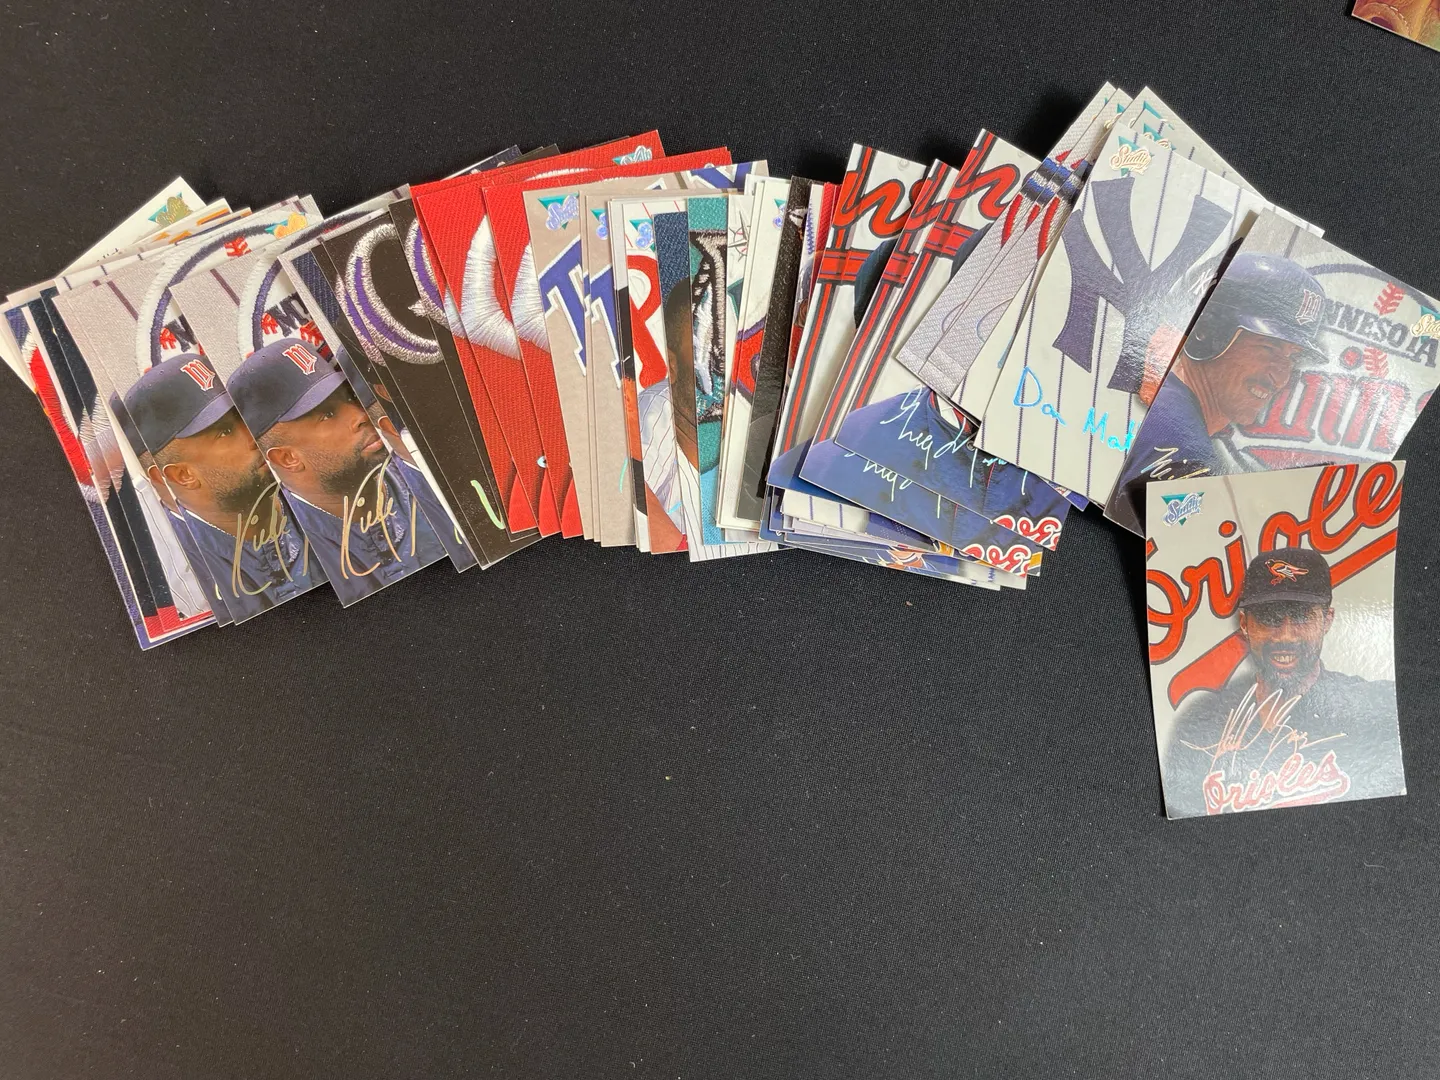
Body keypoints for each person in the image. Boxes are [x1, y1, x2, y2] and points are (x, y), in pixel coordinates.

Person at [1163, 546, 1403, 816]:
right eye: (1269, 618)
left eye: (1301, 616)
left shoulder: (1375, 710)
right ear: (1244, 624)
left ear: (1327, 621)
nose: (1285, 635)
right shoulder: (1200, 724)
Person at [1106, 254, 1330, 532]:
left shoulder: (1161, 405)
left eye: (1292, 358)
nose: (1281, 377)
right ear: (1208, 334)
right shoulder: (1187, 452)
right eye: (1268, 348)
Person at [227, 338, 445, 604]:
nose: (361, 416)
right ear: (288, 457)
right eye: (328, 414)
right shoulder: (272, 557)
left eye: (349, 398)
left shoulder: (424, 480)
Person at [123, 353, 323, 621]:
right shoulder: (165, 580)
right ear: (181, 475)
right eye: (225, 432)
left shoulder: (307, 494)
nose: (252, 436)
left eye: (242, 418)